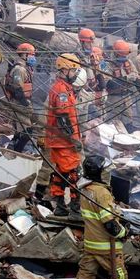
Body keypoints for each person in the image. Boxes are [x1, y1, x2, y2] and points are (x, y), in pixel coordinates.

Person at [71, 154, 129, 279]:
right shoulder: (102, 193)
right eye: (105, 171)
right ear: (98, 173)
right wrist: (124, 233)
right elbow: (110, 225)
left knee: (85, 274)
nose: (108, 174)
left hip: (90, 244)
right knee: (119, 276)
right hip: (106, 246)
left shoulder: (85, 190)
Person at [46, 54, 83, 218]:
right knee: (74, 173)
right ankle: (75, 208)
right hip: (64, 142)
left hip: (60, 141)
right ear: (65, 69)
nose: (75, 74)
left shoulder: (64, 87)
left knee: (61, 173)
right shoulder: (61, 89)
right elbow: (63, 117)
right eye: (74, 70)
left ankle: (61, 206)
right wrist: (73, 139)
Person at [3, 42, 36, 153]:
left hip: (22, 102)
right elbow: (17, 88)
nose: (33, 57)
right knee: (28, 131)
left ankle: (13, 147)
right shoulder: (20, 70)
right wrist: (25, 104)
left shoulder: (25, 68)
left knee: (19, 130)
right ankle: (17, 151)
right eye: (31, 55)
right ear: (24, 55)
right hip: (19, 103)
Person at [106, 39, 139, 126]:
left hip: (126, 97)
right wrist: (127, 78)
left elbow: (135, 74)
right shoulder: (107, 64)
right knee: (112, 124)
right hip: (113, 99)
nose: (123, 59)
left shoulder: (127, 62)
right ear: (115, 53)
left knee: (128, 122)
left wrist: (126, 78)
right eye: (121, 56)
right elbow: (109, 82)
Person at [77, 29, 106, 122]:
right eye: (88, 43)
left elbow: (98, 72)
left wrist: (102, 85)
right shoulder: (76, 58)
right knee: (83, 122)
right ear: (82, 42)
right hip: (81, 94)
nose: (91, 45)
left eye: (91, 43)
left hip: (92, 92)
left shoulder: (92, 57)